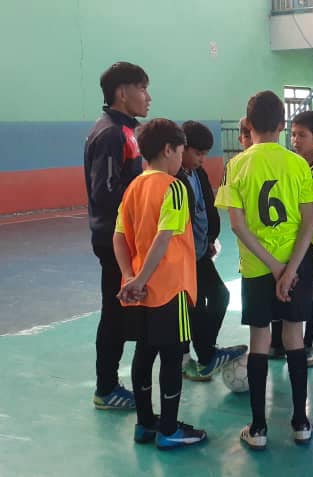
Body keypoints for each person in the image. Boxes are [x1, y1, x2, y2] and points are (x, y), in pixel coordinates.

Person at [215, 91, 313, 450]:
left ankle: (258, 428)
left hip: (258, 269)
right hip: (296, 266)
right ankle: (301, 422)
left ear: (247, 125)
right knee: (294, 337)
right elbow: (309, 223)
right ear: (282, 125)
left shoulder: (236, 166)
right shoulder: (297, 165)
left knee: (259, 341)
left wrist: (273, 266)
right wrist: (290, 269)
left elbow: (237, 226)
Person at [113, 118, 207, 450]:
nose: (181, 158)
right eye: (180, 151)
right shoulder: (174, 187)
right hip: (171, 287)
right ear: (168, 149)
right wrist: (140, 278)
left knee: (144, 353)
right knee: (171, 357)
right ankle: (169, 429)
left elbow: (119, 237)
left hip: (141, 290)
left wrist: (129, 277)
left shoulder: (133, 187)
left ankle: (145, 423)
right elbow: (165, 238)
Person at [84, 61, 150, 411]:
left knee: (125, 311)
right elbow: (107, 193)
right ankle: (106, 388)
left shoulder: (128, 130)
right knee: (114, 312)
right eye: (142, 88)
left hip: (127, 237)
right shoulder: (110, 133)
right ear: (122, 93)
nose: (148, 97)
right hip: (114, 239)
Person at [176, 121, 247, 381]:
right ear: (181, 148)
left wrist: (211, 237)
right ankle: (191, 358)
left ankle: (206, 353)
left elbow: (207, 208)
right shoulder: (173, 179)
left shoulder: (199, 174)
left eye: (206, 154)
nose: (202, 159)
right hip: (182, 258)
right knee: (190, 308)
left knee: (220, 296)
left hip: (201, 252)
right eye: (198, 153)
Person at [289, 110, 313, 367]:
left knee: (312, 291)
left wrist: (311, 229)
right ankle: (286, 341)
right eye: (292, 135)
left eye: (302, 135)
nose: (296, 140)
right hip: (292, 239)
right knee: (290, 288)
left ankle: (307, 343)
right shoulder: (288, 164)